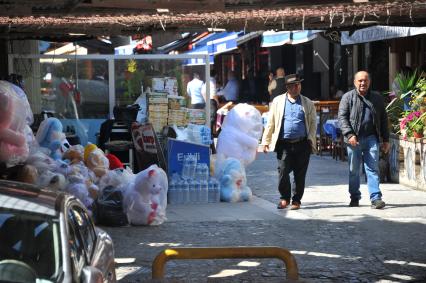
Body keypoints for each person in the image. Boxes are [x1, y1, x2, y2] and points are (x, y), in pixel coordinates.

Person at [260, 74, 317, 210]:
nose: (296, 87)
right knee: (283, 171)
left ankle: (296, 200)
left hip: (302, 143)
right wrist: (265, 141)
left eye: (298, 84)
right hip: (284, 143)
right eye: (293, 85)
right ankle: (284, 198)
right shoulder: (278, 101)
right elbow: (271, 122)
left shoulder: (307, 102)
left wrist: (311, 139)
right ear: (287, 87)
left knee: (300, 174)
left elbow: (313, 123)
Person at [338, 70, 390, 209]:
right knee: (354, 170)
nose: (363, 83)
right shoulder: (347, 98)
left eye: (365, 80)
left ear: (369, 82)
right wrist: (349, 135)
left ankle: (376, 198)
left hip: (371, 138)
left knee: (372, 168)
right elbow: (342, 118)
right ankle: (354, 197)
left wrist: (386, 139)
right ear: (355, 82)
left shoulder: (377, 98)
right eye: (360, 80)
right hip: (354, 140)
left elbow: (384, 119)